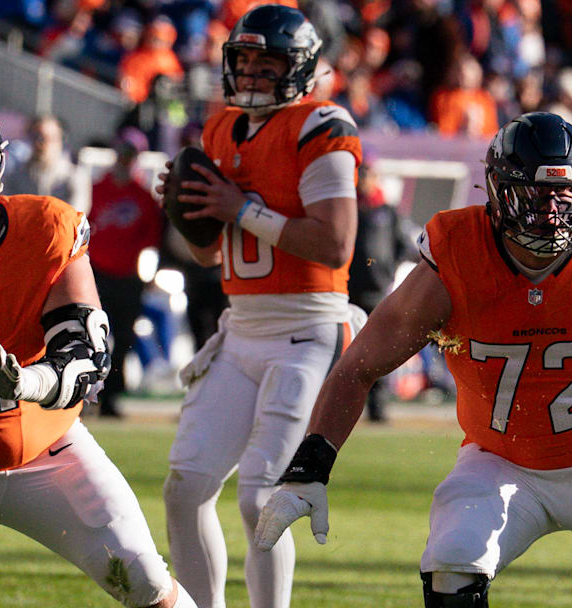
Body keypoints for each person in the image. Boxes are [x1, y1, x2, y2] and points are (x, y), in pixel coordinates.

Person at [252, 112, 572, 607]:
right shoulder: (457, 255)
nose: (552, 212)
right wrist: (310, 466)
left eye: (565, 196)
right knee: (452, 559)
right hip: (498, 460)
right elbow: (359, 367)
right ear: (499, 192)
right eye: (536, 196)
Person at [0, 95, 195, 607]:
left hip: (45, 455)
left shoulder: (45, 230)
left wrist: (24, 383)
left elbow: (85, 357)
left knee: (143, 579)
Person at [157, 6, 362, 608]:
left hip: (307, 329)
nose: (251, 72)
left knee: (260, 497)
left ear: (297, 68)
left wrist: (238, 207)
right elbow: (206, 255)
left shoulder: (321, 124)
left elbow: (334, 242)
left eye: (266, 61)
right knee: (185, 486)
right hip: (241, 329)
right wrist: (185, 206)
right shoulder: (220, 127)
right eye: (243, 59)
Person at [87, 126, 163, 418]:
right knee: (91, 337)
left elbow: (151, 241)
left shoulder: (143, 197)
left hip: (129, 278)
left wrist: (149, 275)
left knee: (122, 339)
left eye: (130, 154)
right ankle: (84, 395)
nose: (124, 159)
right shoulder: (96, 188)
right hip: (97, 274)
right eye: (121, 153)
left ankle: (112, 398)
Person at [347, 150, 417, 422]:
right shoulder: (350, 208)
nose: (365, 178)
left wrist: (387, 269)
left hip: (377, 293)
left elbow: (402, 245)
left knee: (377, 351)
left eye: (369, 172)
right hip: (349, 292)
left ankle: (377, 407)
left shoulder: (387, 211)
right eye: (361, 172)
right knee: (346, 351)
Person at [3, 114, 89, 213]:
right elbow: (8, 209)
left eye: (47, 138)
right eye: (35, 137)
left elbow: (75, 216)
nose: (40, 144)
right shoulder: (16, 175)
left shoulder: (75, 177)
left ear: (60, 139)